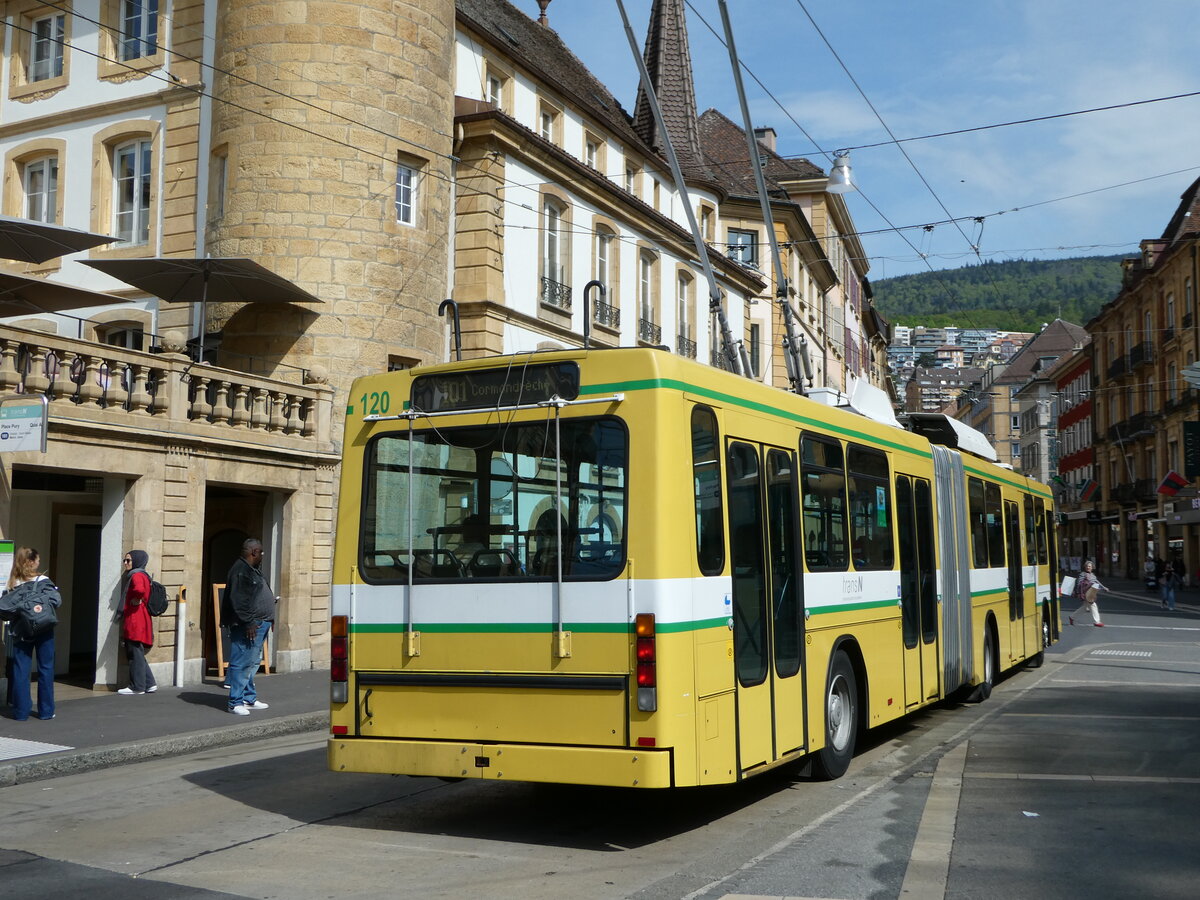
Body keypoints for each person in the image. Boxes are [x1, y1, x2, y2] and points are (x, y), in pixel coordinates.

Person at [0, 547, 61, 720]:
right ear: (32, 561)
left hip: (21, 630)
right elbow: (57, 600)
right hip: (44, 629)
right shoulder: (43, 580)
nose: (39, 562)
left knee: (20, 670)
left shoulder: (13, 583)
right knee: (46, 668)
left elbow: (5, 609)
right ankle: (46, 711)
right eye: (38, 559)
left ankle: (20, 712)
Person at [222, 538, 275, 716]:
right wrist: (249, 622)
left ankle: (248, 698)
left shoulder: (252, 570)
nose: (261, 555)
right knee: (240, 663)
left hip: (260, 622)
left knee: (251, 663)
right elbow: (238, 601)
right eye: (260, 552)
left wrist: (270, 616)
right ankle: (235, 701)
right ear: (253, 552)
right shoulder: (241, 571)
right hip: (248, 625)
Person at [118, 549, 157, 695]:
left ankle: (137, 686)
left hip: (135, 618)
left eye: (128, 560)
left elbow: (139, 590)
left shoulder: (136, 576)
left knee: (134, 652)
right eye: (125, 560)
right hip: (141, 617)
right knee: (137, 652)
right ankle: (149, 683)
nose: (126, 563)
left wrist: (136, 597)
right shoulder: (143, 575)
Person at [1068, 559, 1106, 627]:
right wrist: (1085, 585)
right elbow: (1079, 583)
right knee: (1093, 605)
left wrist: (1104, 587)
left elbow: (1097, 582)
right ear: (1085, 567)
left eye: (1089, 566)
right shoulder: (1083, 574)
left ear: (1092, 567)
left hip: (1091, 592)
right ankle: (1097, 621)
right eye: (1087, 566)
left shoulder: (1093, 575)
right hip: (1085, 593)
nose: (1088, 567)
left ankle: (1072, 617)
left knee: (1085, 607)